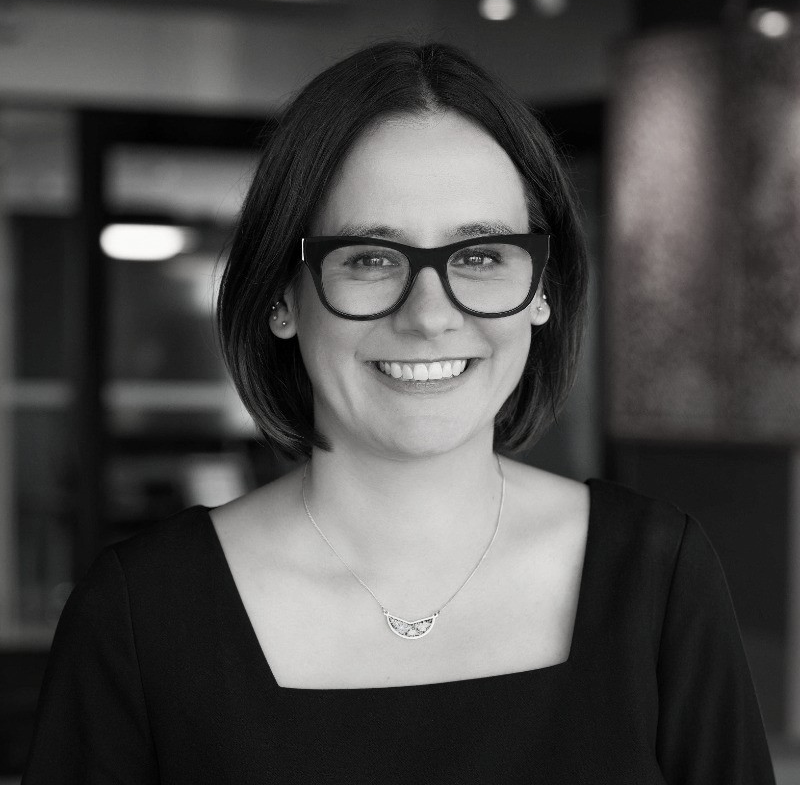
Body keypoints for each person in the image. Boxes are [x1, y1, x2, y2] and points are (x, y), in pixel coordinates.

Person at [22, 41, 775, 784]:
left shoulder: (658, 575)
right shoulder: (141, 616)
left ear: (543, 289)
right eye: (370, 259)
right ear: (283, 294)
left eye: (480, 256)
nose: (428, 315)